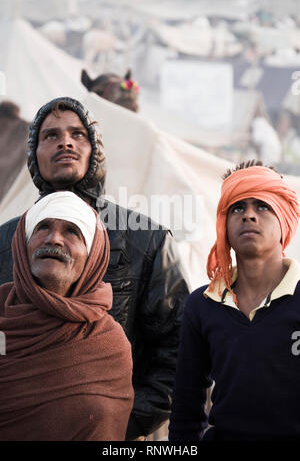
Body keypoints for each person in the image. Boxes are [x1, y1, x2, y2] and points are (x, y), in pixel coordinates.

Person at [0, 96, 190, 440]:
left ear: (95, 151)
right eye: (51, 135)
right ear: (34, 153)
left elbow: (180, 349)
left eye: (78, 134)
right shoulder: (5, 241)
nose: (66, 142)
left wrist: (118, 417)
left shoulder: (146, 240)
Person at [169, 160, 300, 441]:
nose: (248, 215)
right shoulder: (202, 304)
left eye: (262, 205)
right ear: (223, 224)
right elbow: (185, 408)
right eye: (237, 207)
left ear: (285, 218)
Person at [0, 191, 134, 441]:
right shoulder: (3, 316)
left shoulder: (109, 343)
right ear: (23, 244)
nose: (54, 239)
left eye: (72, 231)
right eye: (43, 227)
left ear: (92, 256)